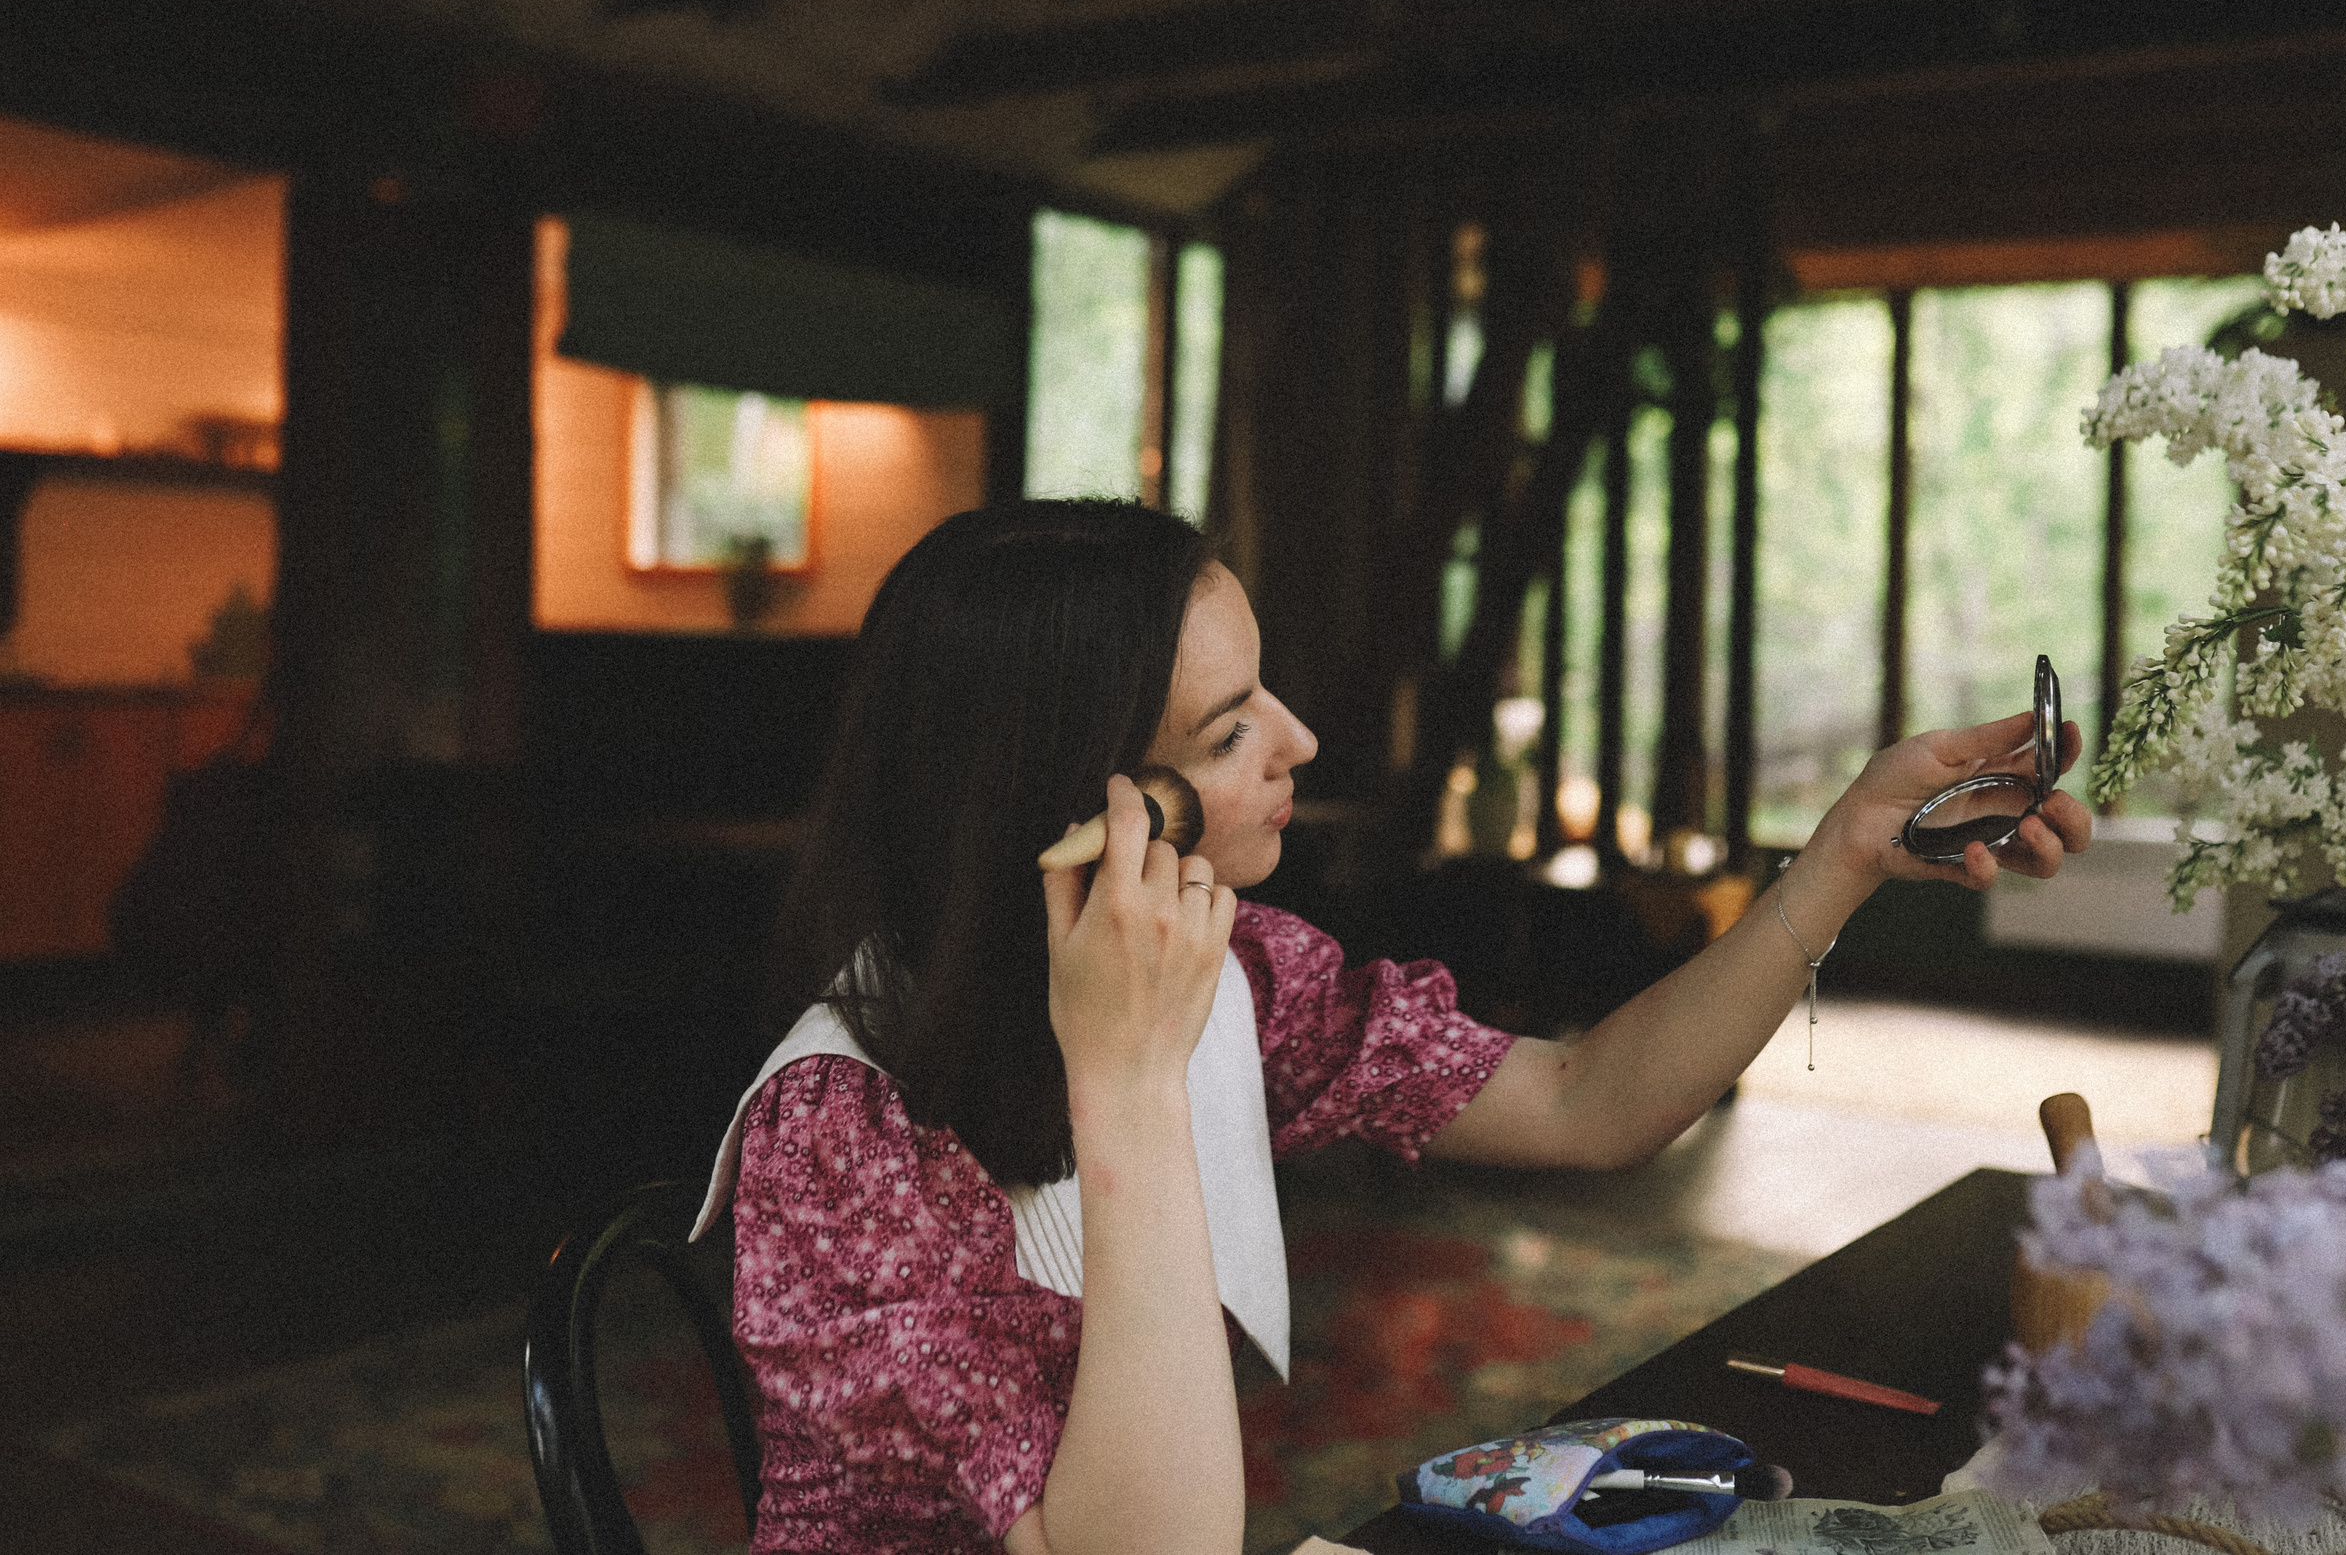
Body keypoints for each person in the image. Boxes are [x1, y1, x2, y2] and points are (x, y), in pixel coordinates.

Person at [694, 499, 2091, 1555]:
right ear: (1080, 808)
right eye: (1231, 728)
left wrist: (1843, 849)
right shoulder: (841, 1138)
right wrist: (1126, 1087)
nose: (1299, 739)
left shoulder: (1242, 976)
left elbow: (1585, 1100)